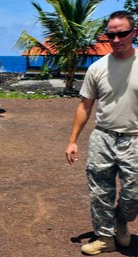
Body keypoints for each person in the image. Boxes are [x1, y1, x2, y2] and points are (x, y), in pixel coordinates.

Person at [65, 10, 138, 255]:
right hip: (103, 137)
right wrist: (73, 140)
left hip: (135, 139)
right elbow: (85, 105)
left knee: (133, 194)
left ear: (134, 33)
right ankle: (105, 237)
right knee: (100, 192)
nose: (116, 40)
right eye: (111, 35)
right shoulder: (97, 68)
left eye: (122, 34)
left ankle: (120, 223)